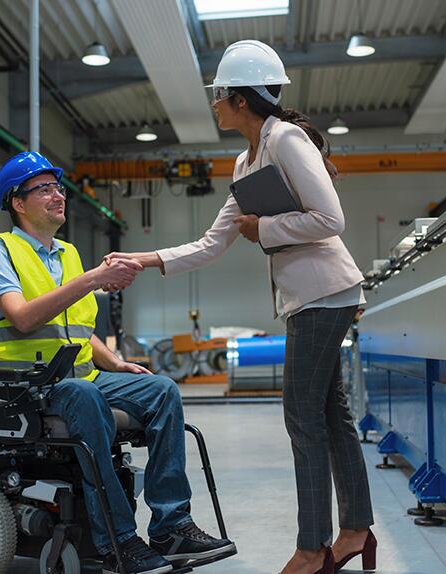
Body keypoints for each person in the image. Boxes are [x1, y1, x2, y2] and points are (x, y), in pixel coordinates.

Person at [107, 40, 376, 574]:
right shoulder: (246, 159)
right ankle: (354, 532)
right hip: (311, 297)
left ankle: (312, 548)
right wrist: (144, 259)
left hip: (325, 293)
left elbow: (331, 220)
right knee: (329, 414)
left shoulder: (287, 139)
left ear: (241, 99)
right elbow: (211, 244)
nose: (214, 103)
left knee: (302, 416)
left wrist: (265, 228)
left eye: (219, 95)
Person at [0, 151, 235, 574]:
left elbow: (77, 330)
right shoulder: (2, 250)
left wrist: (117, 362)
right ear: (18, 202)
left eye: (58, 187)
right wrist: (92, 279)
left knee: (160, 390)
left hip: (76, 380)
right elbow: (22, 317)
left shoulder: (67, 254)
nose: (58, 195)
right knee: (85, 394)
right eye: (45, 188)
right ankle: (118, 540)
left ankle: (171, 526)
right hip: (22, 388)